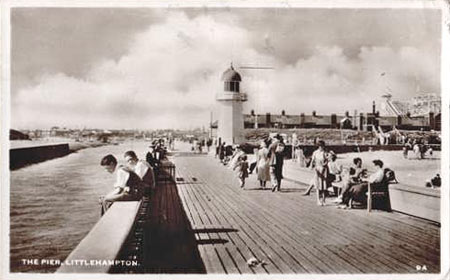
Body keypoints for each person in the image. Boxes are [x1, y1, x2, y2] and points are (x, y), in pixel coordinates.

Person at [310, 140, 328, 205]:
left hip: (324, 169)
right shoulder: (315, 153)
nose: (321, 147)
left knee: (324, 185)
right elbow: (313, 160)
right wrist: (311, 166)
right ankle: (318, 200)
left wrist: (324, 164)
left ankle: (323, 200)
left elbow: (327, 161)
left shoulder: (325, 153)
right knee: (318, 185)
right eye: (320, 146)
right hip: (317, 169)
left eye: (322, 146)